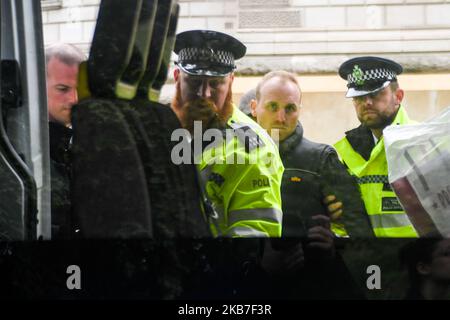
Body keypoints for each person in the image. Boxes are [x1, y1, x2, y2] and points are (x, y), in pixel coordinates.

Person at [245, 70, 370, 299]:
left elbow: (361, 233)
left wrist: (331, 246)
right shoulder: (231, 159)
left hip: (313, 285)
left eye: (290, 108)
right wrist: (258, 262)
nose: (281, 117)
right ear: (254, 107)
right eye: (272, 106)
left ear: (299, 110)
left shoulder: (321, 159)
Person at [171, 30, 284, 238]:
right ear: (177, 77)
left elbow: (255, 235)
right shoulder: (159, 130)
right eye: (194, 82)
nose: (204, 94)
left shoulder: (255, 149)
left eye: (215, 84)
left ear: (231, 81)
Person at [335, 56, 418, 238]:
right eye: (359, 97)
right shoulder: (346, 153)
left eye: (375, 93)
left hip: (415, 259)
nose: (367, 103)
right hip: (366, 258)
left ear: (398, 96)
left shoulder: (422, 145)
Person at [45, 43, 85, 239]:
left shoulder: (69, 143)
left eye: (78, 89)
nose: (74, 99)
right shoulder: (31, 149)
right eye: (63, 89)